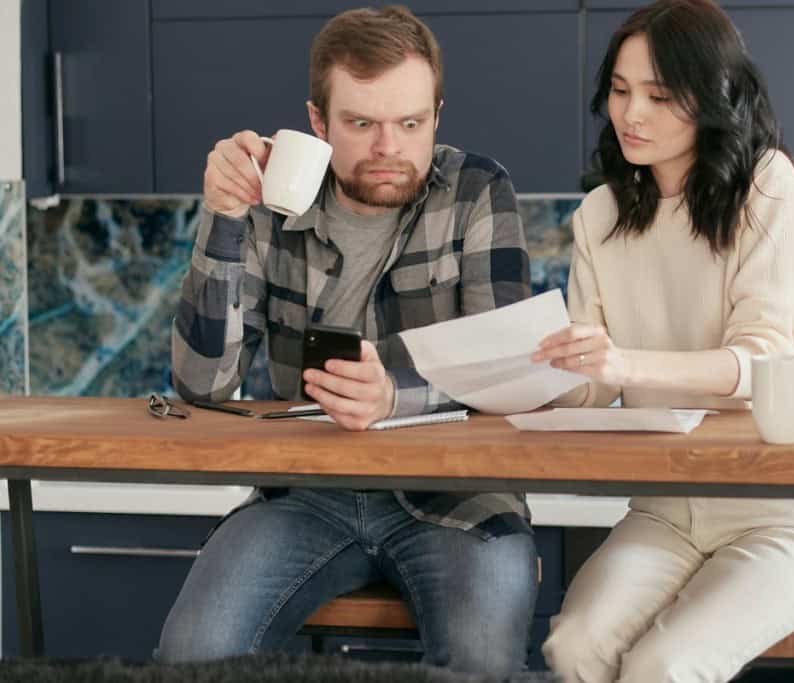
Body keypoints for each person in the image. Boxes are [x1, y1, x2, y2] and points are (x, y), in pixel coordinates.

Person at [157, 6, 537, 675]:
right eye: (362, 123)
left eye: (411, 123)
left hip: (458, 493)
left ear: (437, 115)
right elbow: (203, 382)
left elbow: (507, 368)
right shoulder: (273, 204)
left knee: (482, 660)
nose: (389, 146)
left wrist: (398, 396)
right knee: (191, 654)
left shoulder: (478, 191)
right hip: (304, 491)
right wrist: (221, 217)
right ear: (318, 121)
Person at [531, 1, 794, 681]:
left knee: (666, 665)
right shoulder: (600, 215)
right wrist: (543, 366)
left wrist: (623, 359)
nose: (631, 114)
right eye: (620, 91)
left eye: (658, 95)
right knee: (572, 647)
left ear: (713, 98)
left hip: (782, 514)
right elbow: (592, 389)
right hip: (665, 508)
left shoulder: (767, 187)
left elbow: (765, 358)